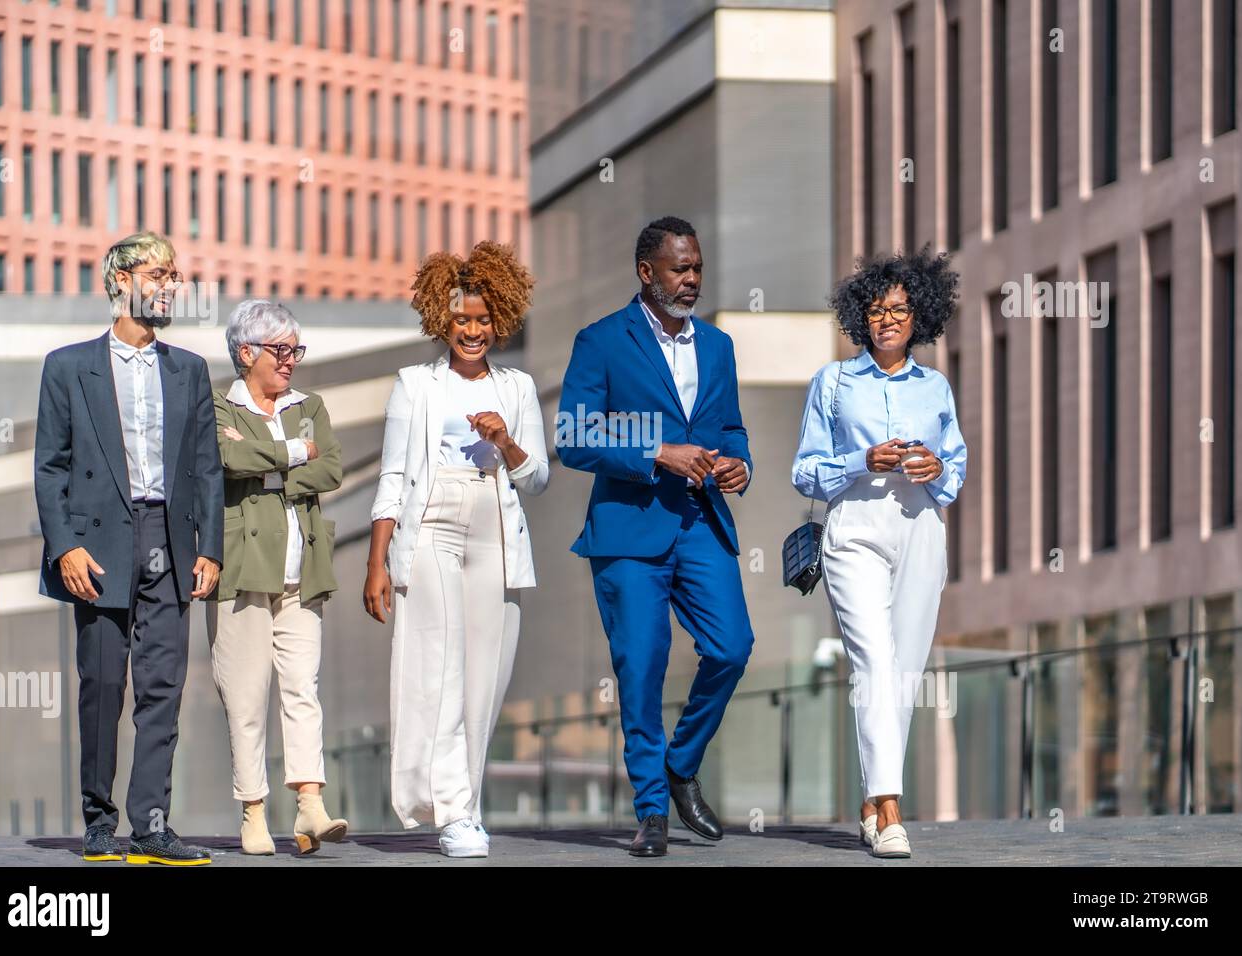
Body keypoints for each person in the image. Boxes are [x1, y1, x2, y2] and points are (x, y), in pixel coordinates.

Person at [557, 216, 755, 858]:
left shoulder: (719, 345)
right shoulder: (601, 341)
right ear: (647, 272)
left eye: (696, 266)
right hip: (628, 532)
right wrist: (655, 451)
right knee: (640, 668)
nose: (692, 278)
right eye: (679, 268)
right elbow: (574, 437)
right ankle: (651, 812)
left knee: (731, 647)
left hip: (701, 522)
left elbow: (729, 427)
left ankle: (681, 762)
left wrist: (738, 462)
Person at [33, 231, 222, 865]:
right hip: (98, 543)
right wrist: (64, 548)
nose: (170, 284)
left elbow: (207, 467)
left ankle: (152, 823)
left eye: (174, 274)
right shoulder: (67, 366)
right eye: (158, 273)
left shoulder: (189, 369)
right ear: (121, 281)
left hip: (168, 537)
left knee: (163, 685)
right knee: (103, 683)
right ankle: (97, 820)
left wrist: (211, 548)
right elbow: (50, 467)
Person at [363, 241, 546, 858]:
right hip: (433, 528)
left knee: (485, 679)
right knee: (440, 671)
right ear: (443, 322)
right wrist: (378, 563)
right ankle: (453, 814)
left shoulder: (518, 387)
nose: (472, 330)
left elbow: (538, 478)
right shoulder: (415, 384)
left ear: (502, 318)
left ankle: (463, 803)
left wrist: (508, 443)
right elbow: (392, 479)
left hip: (495, 532)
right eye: (461, 319)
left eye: (483, 319)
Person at [791, 247, 967, 859]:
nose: (886, 319)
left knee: (905, 673)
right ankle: (891, 809)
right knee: (872, 660)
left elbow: (957, 466)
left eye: (898, 309)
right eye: (875, 310)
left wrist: (936, 466)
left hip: (920, 528)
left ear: (919, 315)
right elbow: (804, 473)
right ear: (859, 317)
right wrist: (860, 461)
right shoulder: (833, 382)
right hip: (855, 532)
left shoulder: (936, 387)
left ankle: (870, 802)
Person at [206, 299, 348, 856]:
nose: (291, 361)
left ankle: (310, 803)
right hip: (241, 569)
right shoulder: (218, 405)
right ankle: (254, 811)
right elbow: (224, 461)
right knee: (245, 696)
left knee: (302, 689)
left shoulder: (309, 405)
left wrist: (267, 463)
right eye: (281, 350)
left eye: (295, 350)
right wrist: (294, 455)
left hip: (302, 568)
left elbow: (331, 465)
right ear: (247, 353)